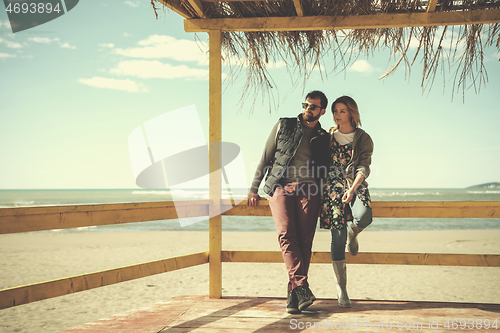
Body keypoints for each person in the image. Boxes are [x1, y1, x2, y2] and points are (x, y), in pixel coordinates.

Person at [247, 91, 330, 314]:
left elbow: (328, 167)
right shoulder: (285, 125)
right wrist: (254, 188)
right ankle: (302, 286)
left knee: (305, 241)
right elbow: (266, 156)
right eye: (306, 105)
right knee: (286, 234)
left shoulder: (323, 136)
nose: (308, 109)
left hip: (309, 189)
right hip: (280, 186)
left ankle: (294, 297)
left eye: (313, 107)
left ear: (322, 111)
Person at [319, 95, 374, 308]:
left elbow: (364, 167)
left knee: (364, 216)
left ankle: (355, 232)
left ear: (351, 112)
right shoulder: (328, 136)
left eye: (342, 111)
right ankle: (341, 289)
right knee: (337, 238)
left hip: (355, 184)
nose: (337, 115)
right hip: (331, 188)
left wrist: (352, 190)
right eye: (335, 111)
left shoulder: (363, 138)